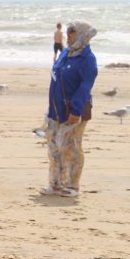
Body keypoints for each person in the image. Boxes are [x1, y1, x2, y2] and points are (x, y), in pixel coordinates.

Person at [40, 21, 98, 198]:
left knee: (70, 147)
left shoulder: (87, 59)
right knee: (54, 147)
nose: (68, 35)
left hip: (74, 111)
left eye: (71, 32)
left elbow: (85, 86)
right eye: (67, 32)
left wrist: (76, 111)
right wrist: (51, 110)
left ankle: (72, 186)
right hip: (55, 110)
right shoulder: (66, 52)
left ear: (82, 34)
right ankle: (55, 184)